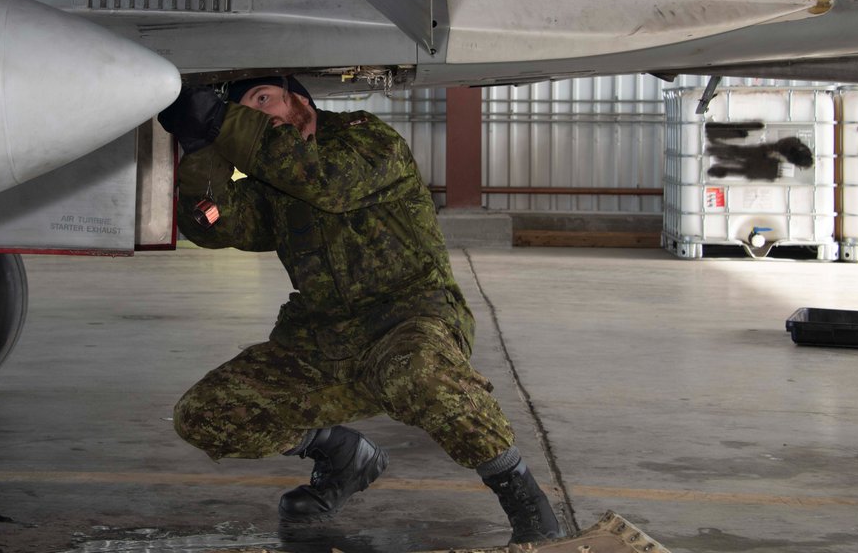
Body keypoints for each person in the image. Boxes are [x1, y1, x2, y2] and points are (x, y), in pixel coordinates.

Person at [156, 76, 562, 544]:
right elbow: (215, 226)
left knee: (416, 373)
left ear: (301, 101)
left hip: (409, 319)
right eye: (247, 110)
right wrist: (201, 147)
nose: (258, 117)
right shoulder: (272, 178)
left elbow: (327, 183)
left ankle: (525, 501)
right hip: (322, 337)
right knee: (205, 414)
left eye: (264, 101)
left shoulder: (364, 138)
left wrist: (223, 120)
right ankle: (341, 454)